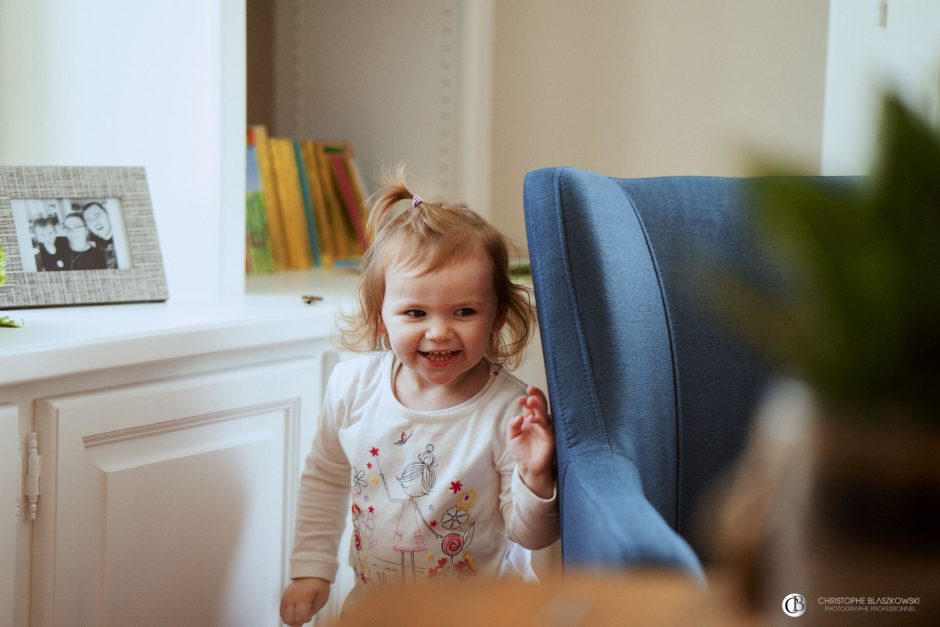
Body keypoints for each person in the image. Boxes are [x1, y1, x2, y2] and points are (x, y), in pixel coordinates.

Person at [280, 166, 559, 626]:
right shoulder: (352, 388)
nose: (438, 331)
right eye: (415, 312)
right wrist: (310, 569)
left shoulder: (509, 411)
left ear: (496, 315)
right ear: (380, 315)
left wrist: (536, 477)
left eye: (464, 311)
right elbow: (325, 479)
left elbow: (531, 536)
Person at [81, 202, 118, 269]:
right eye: (89, 220)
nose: (95, 222)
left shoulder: (122, 234)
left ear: (107, 214)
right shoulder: (89, 245)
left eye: (97, 216)